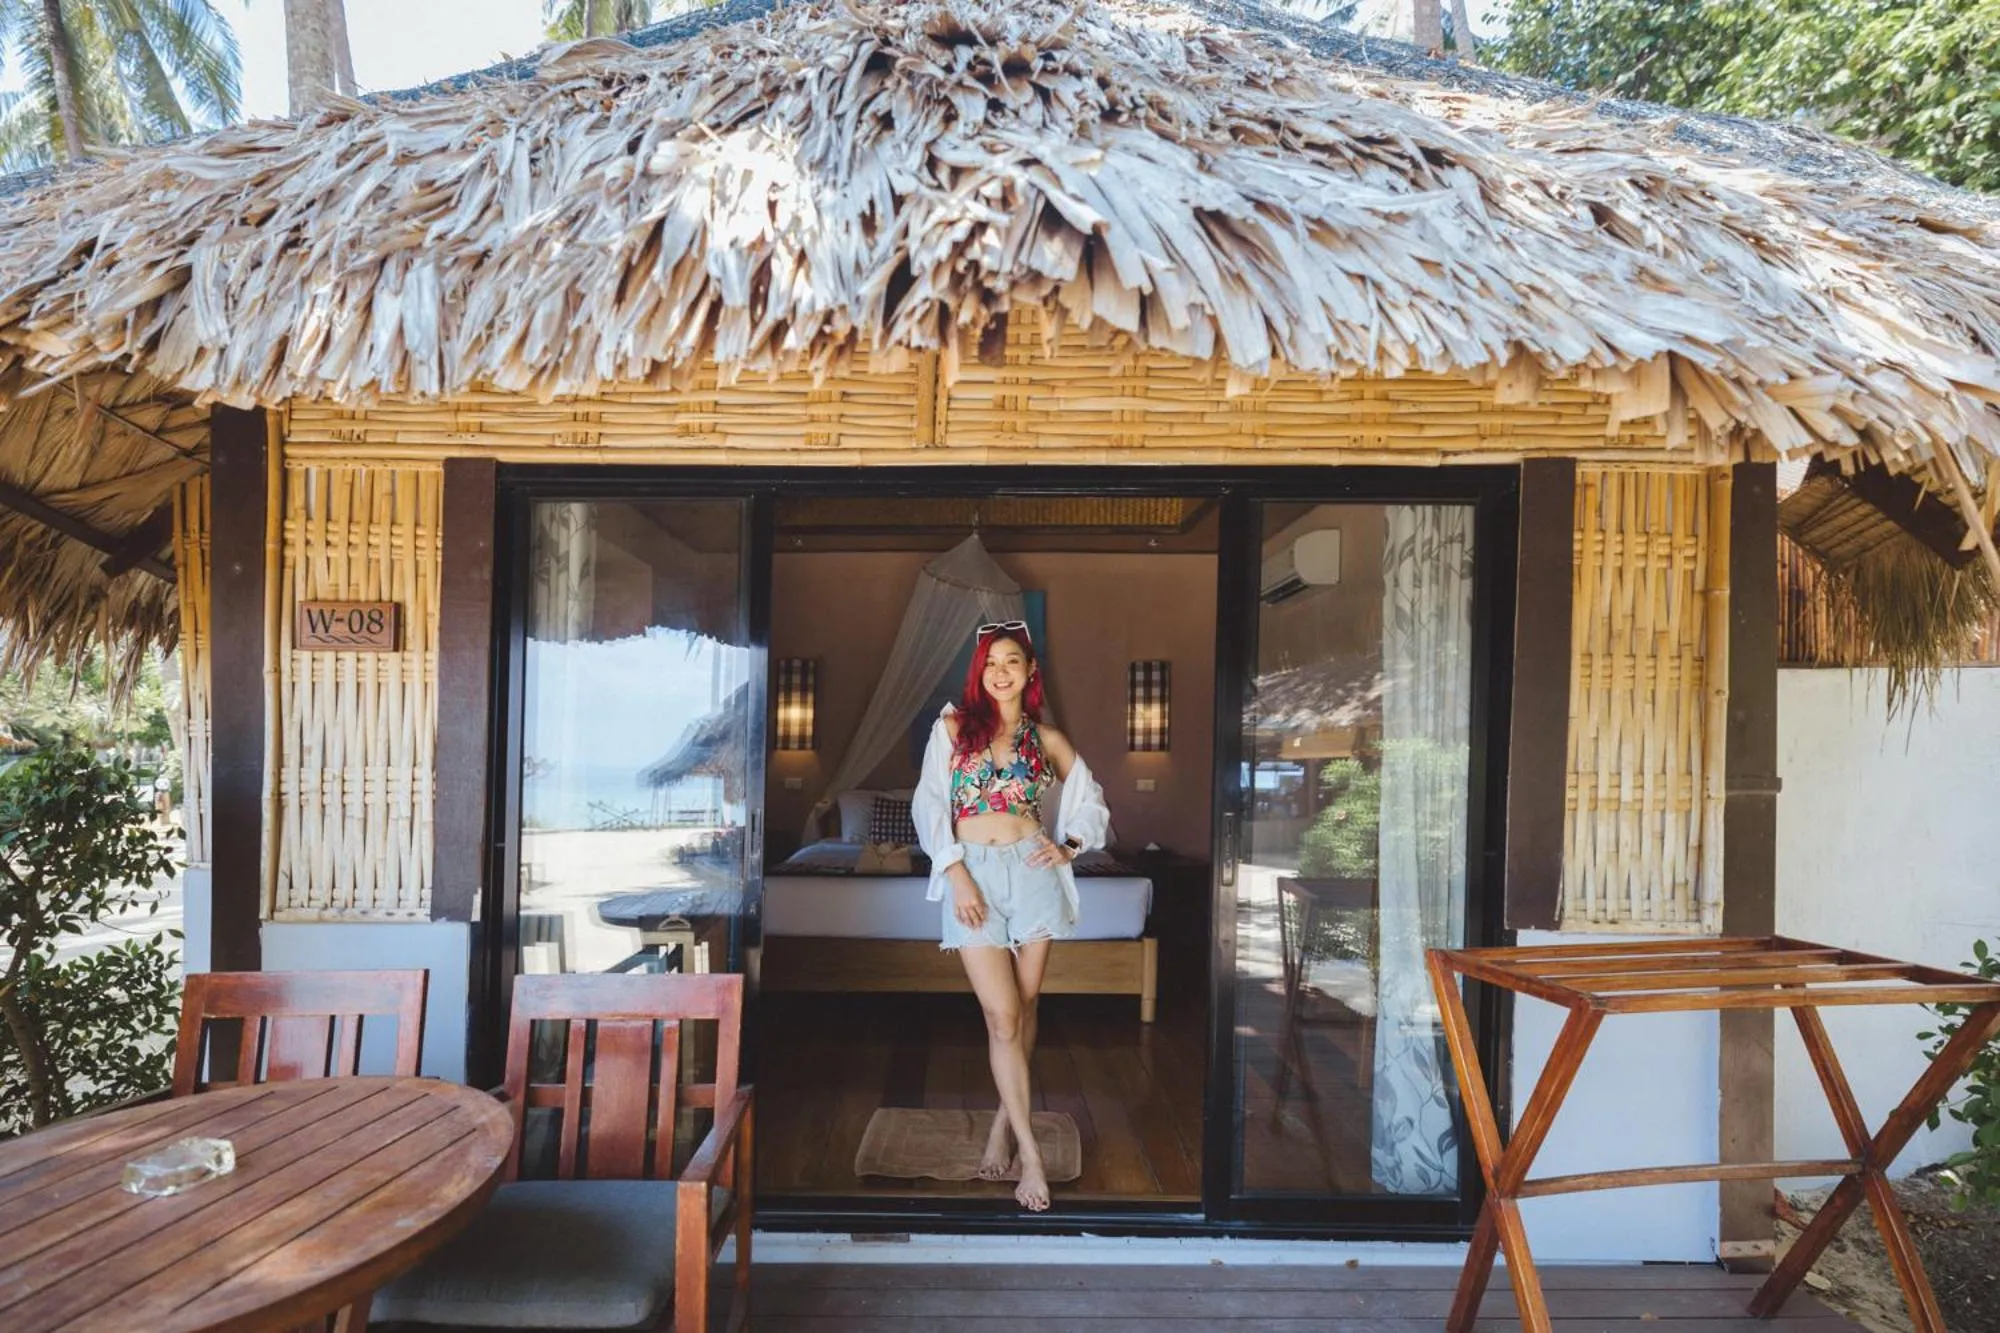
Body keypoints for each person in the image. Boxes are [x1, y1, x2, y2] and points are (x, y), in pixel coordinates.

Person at [911, 620, 1111, 1211]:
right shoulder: (953, 728)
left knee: (1023, 1008)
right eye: (991, 663)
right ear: (980, 673)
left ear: (1029, 672)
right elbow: (929, 804)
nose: (1001, 672)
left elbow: (1091, 801)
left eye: (1012, 662)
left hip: (1032, 873)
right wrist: (956, 875)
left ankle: (1003, 1124)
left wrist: (1069, 845)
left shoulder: (1047, 738)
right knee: (1003, 1018)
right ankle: (1031, 1153)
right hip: (971, 873)